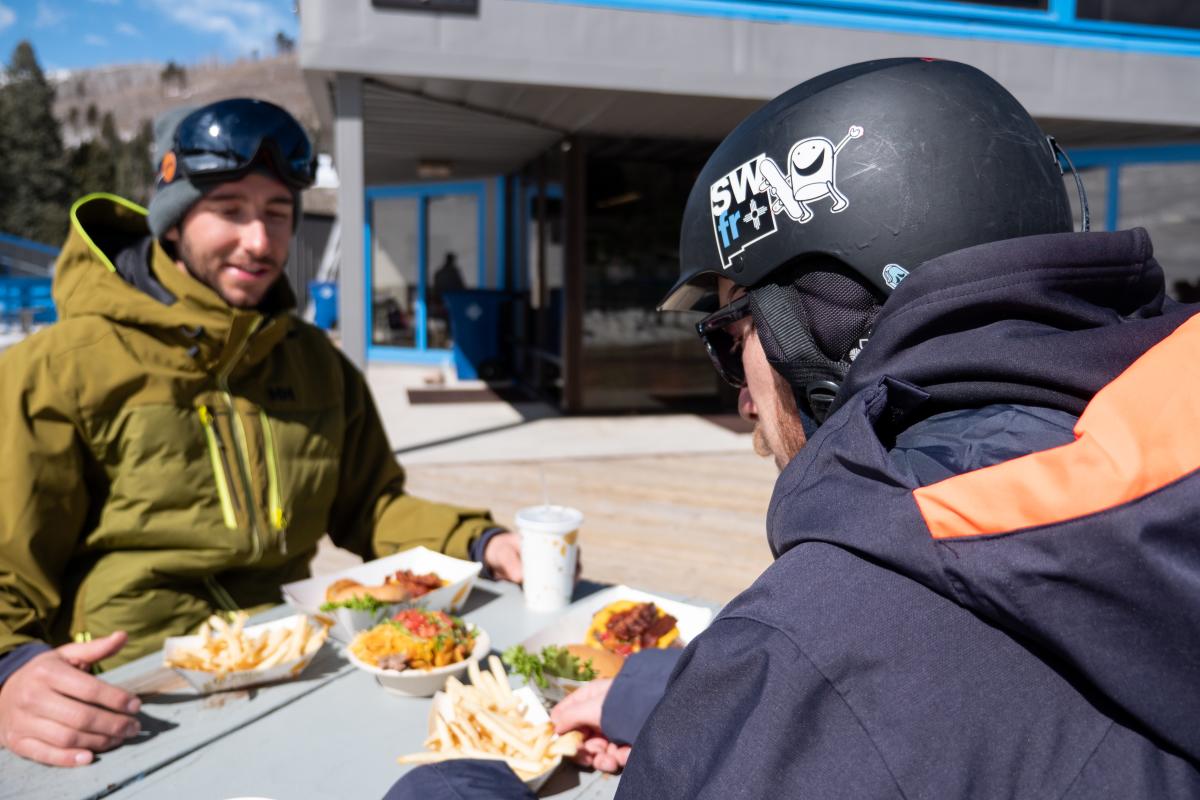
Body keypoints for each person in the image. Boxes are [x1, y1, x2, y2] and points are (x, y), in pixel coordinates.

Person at [389, 58, 1200, 798]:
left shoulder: (823, 639)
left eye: (727, 338)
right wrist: (676, 698)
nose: (742, 398)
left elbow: (853, 683)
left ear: (811, 330)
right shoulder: (1147, 478)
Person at [0, 98, 527, 769]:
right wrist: (11, 672)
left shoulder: (314, 363)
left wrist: (481, 540)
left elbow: (369, 506)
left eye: (277, 213)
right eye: (230, 210)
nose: (259, 239)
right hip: (131, 692)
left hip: (297, 656)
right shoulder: (58, 368)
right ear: (173, 221)